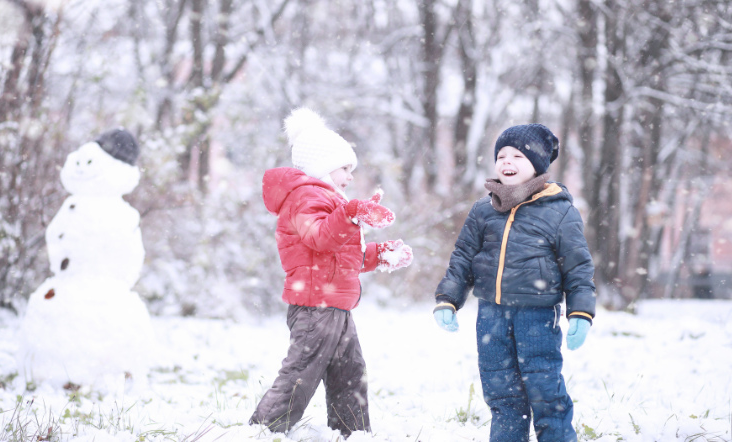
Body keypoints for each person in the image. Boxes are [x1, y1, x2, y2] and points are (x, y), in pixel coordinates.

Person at [251, 107, 413, 438]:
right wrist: (352, 213)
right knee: (302, 372)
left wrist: (380, 254)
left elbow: (340, 256)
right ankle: (264, 430)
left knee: (349, 372)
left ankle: (352, 432)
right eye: (345, 168)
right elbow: (320, 238)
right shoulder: (304, 197)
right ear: (322, 165)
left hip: (335, 305)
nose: (350, 177)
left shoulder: (330, 201)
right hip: (315, 307)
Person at [432, 124, 595, 442]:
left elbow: (578, 268)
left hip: (537, 316)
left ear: (537, 164)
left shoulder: (560, 211)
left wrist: (581, 312)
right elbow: (463, 258)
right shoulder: (483, 210)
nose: (507, 161)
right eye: (501, 155)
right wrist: (447, 299)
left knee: (545, 391)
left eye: (518, 156)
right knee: (502, 394)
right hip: (491, 316)